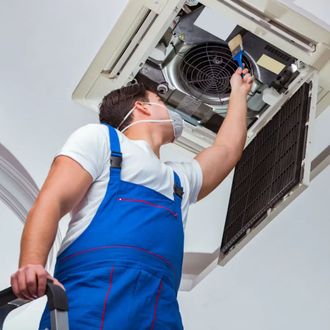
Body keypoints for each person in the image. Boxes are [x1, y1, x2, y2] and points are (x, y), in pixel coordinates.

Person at [10, 67, 252, 329]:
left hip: (159, 309)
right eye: (161, 101)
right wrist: (32, 264)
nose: (172, 112)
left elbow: (227, 150)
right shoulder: (102, 139)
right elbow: (52, 200)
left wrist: (239, 93)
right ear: (142, 107)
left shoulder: (179, 180)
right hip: (92, 297)